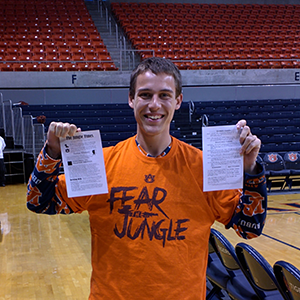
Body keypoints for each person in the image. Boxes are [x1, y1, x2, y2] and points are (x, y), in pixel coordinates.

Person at [27, 57, 267, 300]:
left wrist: (251, 171)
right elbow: (39, 202)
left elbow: (248, 228)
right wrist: (52, 151)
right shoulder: (100, 163)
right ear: (131, 100)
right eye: (145, 95)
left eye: (164, 95)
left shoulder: (204, 167)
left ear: (178, 101)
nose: (154, 104)